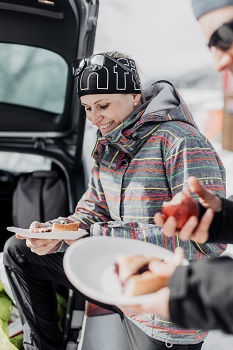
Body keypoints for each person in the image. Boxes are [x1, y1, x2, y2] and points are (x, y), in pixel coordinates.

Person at [3, 51, 226, 350]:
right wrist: (56, 233)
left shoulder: (180, 142)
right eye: (87, 108)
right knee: (20, 251)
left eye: (103, 105)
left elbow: (207, 244)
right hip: (116, 276)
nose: (94, 118)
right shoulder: (109, 146)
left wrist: (98, 234)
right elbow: (92, 210)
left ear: (134, 96)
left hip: (164, 308)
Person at [125, 0, 233, 334]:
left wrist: (194, 289)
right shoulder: (109, 149)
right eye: (211, 46)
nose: (218, 62)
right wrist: (223, 219)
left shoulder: (180, 140)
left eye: (226, 35)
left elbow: (206, 255)